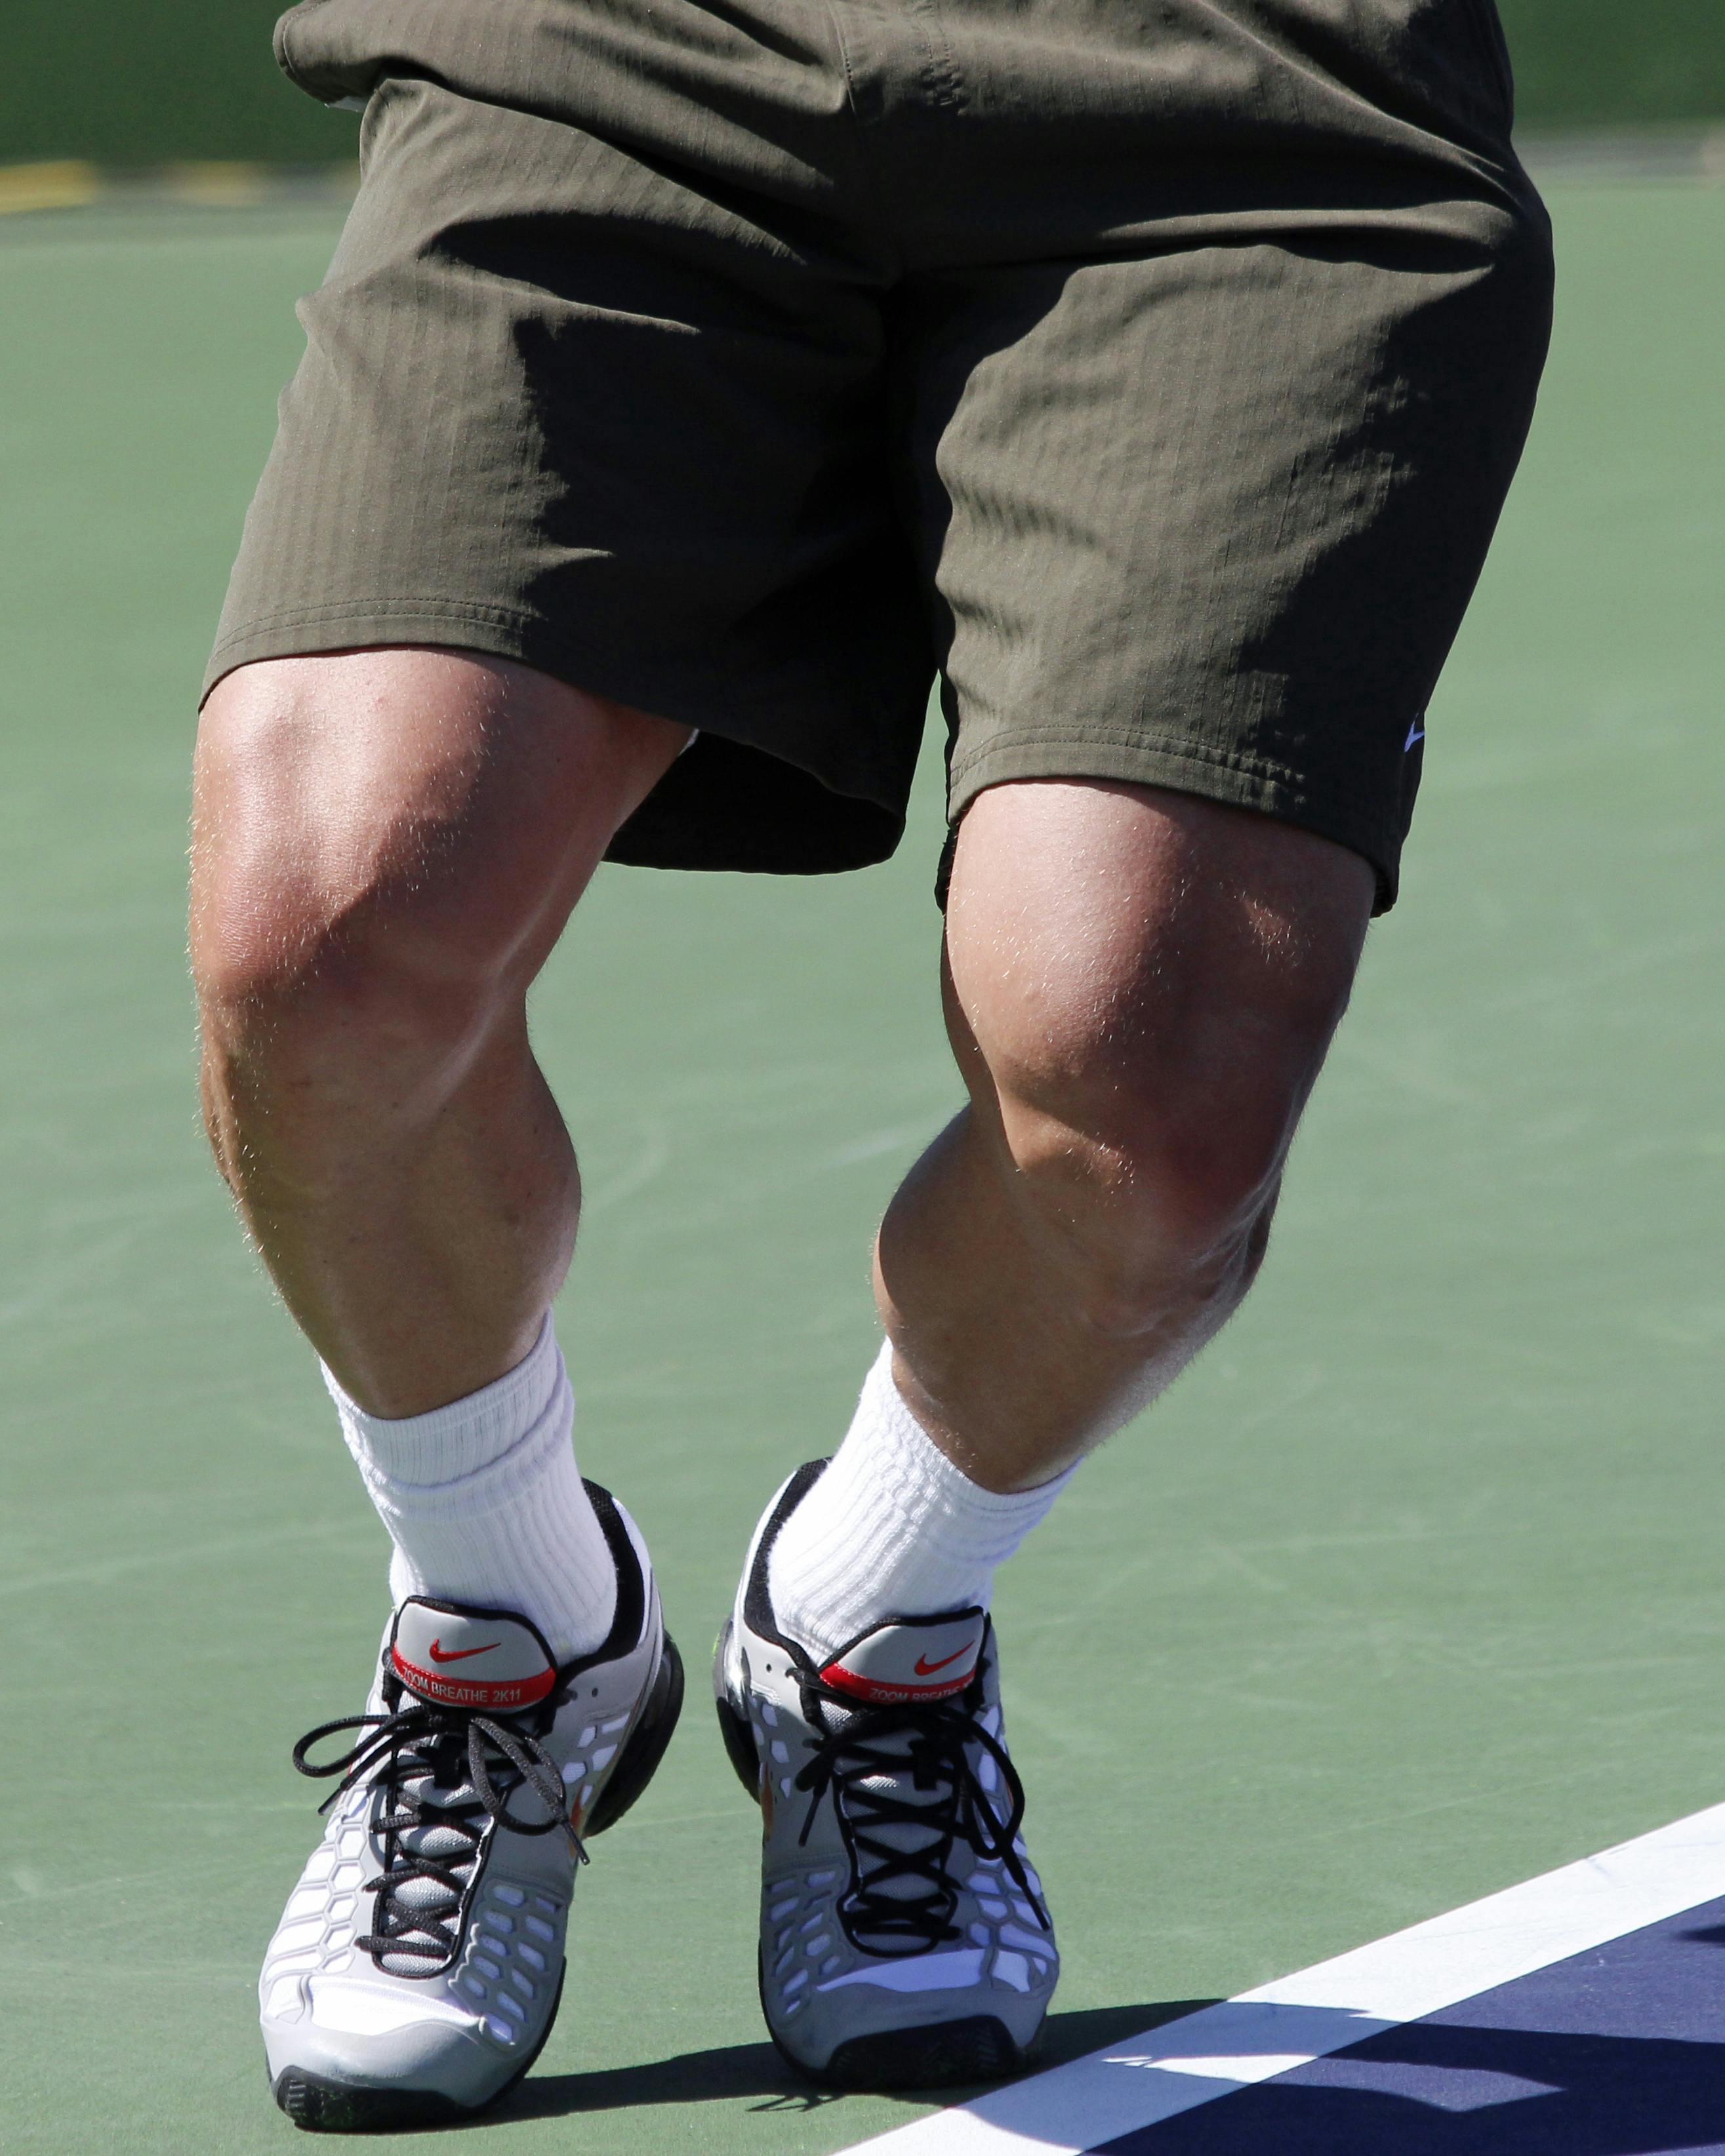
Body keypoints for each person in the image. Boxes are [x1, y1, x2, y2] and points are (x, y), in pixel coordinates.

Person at [190, 0, 1552, 2128]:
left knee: (1146, 1090)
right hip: (615, 54)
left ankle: (870, 1629)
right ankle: (507, 1623)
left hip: (1254, 106)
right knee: (326, 931)